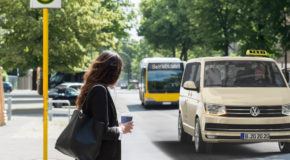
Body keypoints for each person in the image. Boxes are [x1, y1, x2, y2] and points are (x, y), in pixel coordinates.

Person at [76, 51, 134, 160]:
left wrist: (116, 124)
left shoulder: (95, 88)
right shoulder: (99, 90)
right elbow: (101, 132)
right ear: (112, 72)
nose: (120, 74)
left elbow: (97, 123)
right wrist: (121, 129)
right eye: (119, 71)